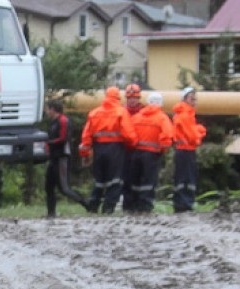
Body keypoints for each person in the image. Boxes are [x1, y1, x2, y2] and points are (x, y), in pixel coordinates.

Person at [79, 86, 136, 214]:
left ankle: (93, 206)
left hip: (98, 149)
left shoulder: (94, 113)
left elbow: (86, 136)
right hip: (116, 149)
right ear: (117, 98)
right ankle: (108, 208)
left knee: (99, 180)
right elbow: (128, 134)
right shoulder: (121, 112)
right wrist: (132, 145)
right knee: (115, 180)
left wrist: (85, 153)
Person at [124, 91, 173, 214]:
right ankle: (145, 205)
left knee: (135, 179)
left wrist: (133, 145)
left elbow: (129, 133)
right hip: (152, 154)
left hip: (136, 153)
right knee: (148, 180)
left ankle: (132, 204)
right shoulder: (162, 117)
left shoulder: (137, 117)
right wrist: (164, 149)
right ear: (160, 104)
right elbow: (167, 135)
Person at [43, 100, 90, 216]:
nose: (47, 111)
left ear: (53, 109)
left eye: (48, 109)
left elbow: (63, 139)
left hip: (62, 157)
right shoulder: (53, 122)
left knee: (64, 188)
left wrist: (48, 143)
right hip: (53, 158)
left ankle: (88, 204)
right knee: (49, 186)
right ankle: (51, 212)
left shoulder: (63, 121)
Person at [171, 87, 208, 213]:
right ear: (185, 99)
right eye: (192, 98)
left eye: (194, 98)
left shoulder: (184, 114)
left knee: (182, 178)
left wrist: (197, 131)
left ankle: (181, 203)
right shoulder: (185, 115)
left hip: (183, 150)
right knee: (187, 178)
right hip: (186, 150)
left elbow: (190, 132)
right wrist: (201, 131)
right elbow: (192, 136)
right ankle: (185, 204)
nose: (194, 101)